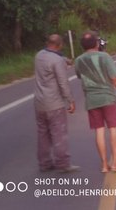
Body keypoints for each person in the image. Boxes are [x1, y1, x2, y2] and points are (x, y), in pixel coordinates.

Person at [75, 31, 116, 173]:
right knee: (113, 129)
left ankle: (104, 165)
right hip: (107, 97)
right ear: (96, 44)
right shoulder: (105, 56)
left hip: (91, 99)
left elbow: (80, 76)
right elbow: (115, 78)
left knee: (99, 130)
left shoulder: (79, 60)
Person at [34, 34, 80, 173]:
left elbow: (53, 58)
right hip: (54, 103)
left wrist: (64, 60)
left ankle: (45, 163)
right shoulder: (57, 61)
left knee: (43, 134)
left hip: (39, 103)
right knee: (58, 133)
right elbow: (62, 82)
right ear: (59, 45)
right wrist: (70, 100)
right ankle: (63, 163)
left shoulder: (39, 55)